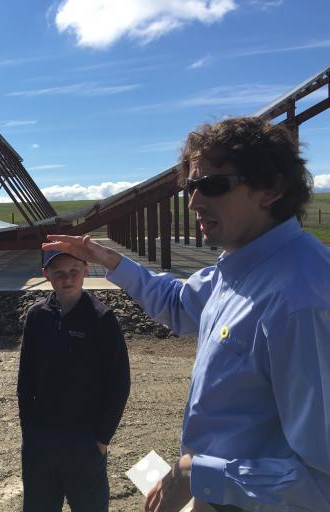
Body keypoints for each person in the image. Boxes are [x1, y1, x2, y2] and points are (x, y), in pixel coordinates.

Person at [44, 117, 330, 512]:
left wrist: (196, 474)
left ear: (271, 188)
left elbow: (323, 480)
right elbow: (179, 305)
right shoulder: (239, 268)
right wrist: (106, 259)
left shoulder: (302, 300)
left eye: (213, 185)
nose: (193, 202)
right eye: (191, 187)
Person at [17, 249, 130, 512]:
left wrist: (102, 438)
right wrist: (28, 431)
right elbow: (26, 380)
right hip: (41, 440)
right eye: (58, 273)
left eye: (73, 272)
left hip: (85, 440)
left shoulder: (101, 318)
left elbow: (119, 382)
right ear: (47, 275)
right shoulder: (37, 317)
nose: (67, 278)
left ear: (86, 270)